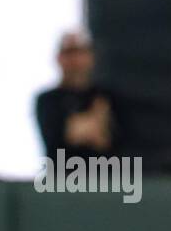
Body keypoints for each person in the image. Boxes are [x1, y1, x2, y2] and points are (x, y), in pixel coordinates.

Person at [34, 29, 124, 162]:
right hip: (63, 179)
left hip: (106, 178)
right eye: (69, 53)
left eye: (81, 52)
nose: (75, 60)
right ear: (59, 58)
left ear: (91, 57)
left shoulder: (108, 97)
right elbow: (56, 142)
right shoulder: (48, 100)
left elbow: (119, 143)